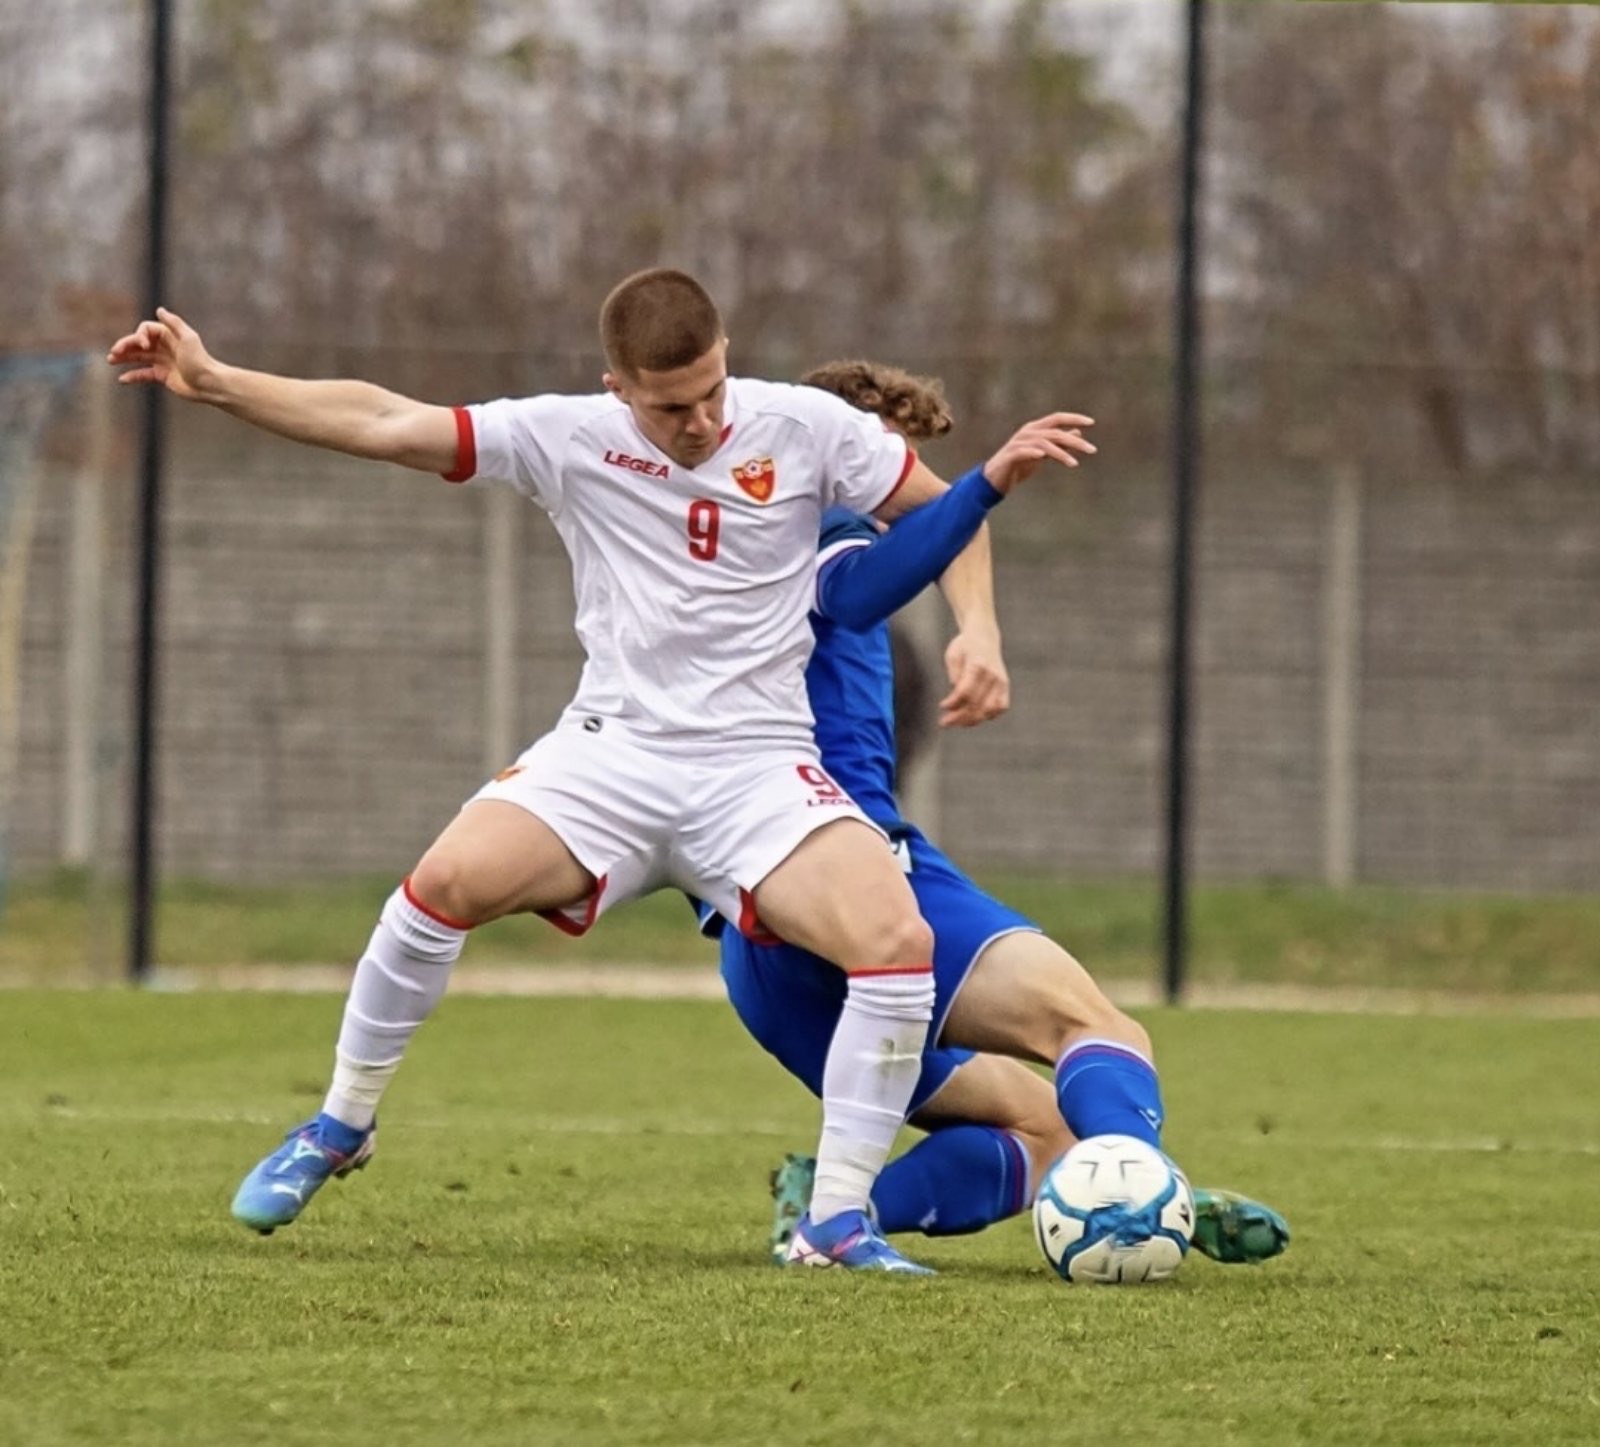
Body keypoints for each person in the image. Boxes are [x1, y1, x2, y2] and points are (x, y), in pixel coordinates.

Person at [107, 271, 1096, 1273]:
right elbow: (382, 418)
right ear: (617, 387)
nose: (703, 420)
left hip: (757, 768)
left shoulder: (804, 425)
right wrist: (219, 379)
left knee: (895, 937)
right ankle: (340, 1124)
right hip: (614, 753)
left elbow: (942, 513)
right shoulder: (569, 434)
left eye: (713, 390)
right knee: (437, 888)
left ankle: (835, 1222)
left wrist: (980, 633)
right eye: (673, 405)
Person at [700, 360, 1290, 1268]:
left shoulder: (726, 551)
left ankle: (830, 1202)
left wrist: (978, 622)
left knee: (1045, 1124)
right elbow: (871, 574)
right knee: (1099, 1031)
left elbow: (923, 549)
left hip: (762, 957)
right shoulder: (815, 533)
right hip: (852, 875)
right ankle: (1140, 1179)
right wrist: (980, 492)